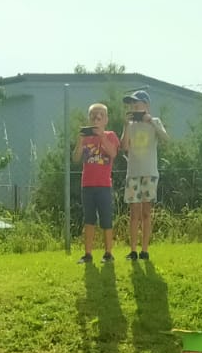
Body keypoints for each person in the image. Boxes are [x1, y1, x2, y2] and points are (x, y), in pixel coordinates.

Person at [120, 89, 168, 261]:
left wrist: (151, 122)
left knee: (147, 213)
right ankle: (133, 250)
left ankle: (145, 250)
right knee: (134, 214)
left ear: (146, 105)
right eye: (131, 104)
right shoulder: (130, 125)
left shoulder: (155, 121)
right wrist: (126, 125)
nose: (133, 106)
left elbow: (166, 139)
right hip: (133, 173)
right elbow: (124, 147)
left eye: (136, 103)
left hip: (149, 173)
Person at [72, 103, 120, 264]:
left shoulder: (110, 135)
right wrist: (80, 141)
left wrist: (102, 137)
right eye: (93, 115)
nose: (96, 118)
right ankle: (88, 254)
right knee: (89, 219)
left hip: (104, 185)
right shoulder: (85, 138)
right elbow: (76, 158)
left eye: (100, 116)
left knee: (106, 219)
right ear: (89, 118)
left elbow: (113, 153)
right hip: (87, 185)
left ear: (106, 119)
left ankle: (108, 253)